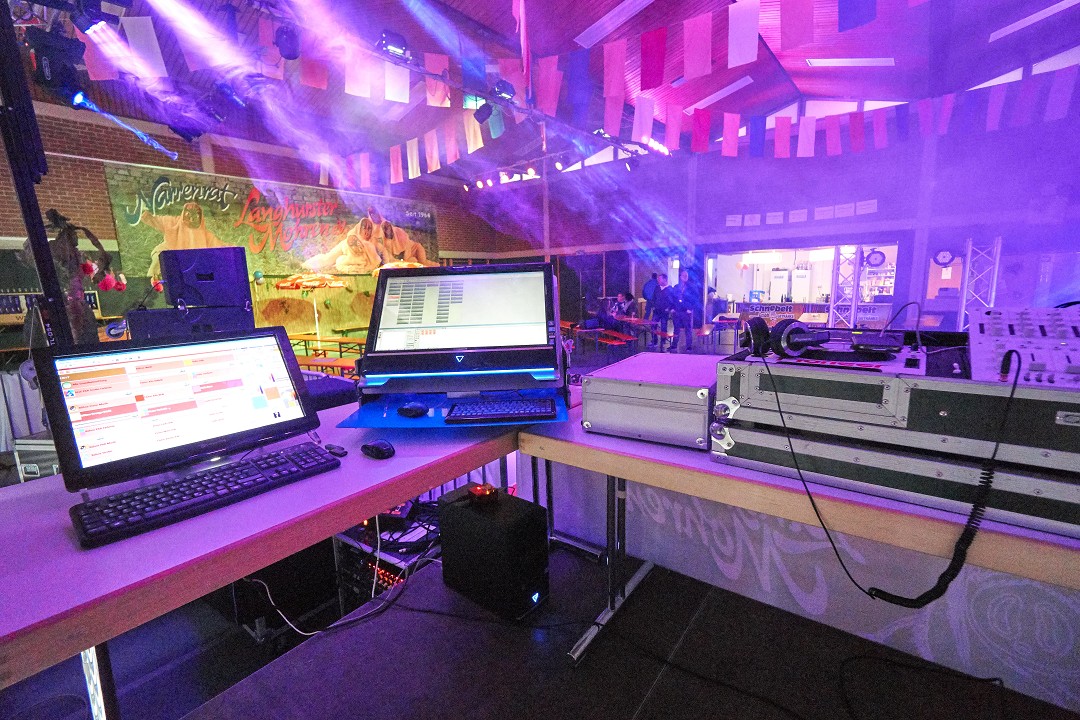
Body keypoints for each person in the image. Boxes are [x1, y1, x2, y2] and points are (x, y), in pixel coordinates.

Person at [141, 203, 223, 278]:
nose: (191, 218)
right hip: (171, 251)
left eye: (195, 214)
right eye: (189, 214)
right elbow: (155, 220)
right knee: (160, 255)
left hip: (191, 263)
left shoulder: (206, 235)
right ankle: (151, 282)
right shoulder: (173, 222)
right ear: (184, 213)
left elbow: (220, 246)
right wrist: (143, 212)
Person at [302, 217, 383, 275]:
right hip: (343, 249)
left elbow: (375, 262)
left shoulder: (371, 245)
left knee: (339, 260)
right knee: (327, 259)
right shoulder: (350, 239)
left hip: (348, 261)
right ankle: (305, 265)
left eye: (369, 228)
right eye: (364, 227)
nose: (366, 231)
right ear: (359, 228)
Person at [670, 269, 695, 353]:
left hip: (686, 311)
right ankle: (674, 345)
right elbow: (672, 298)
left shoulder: (691, 288)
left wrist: (690, 308)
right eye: (683, 275)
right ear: (680, 277)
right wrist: (672, 308)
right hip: (677, 310)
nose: (685, 277)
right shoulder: (676, 287)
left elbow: (694, 299)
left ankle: (689, 347)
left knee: (688, 329)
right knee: (676, 329)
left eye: (686, 276)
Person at [649, 274, 673, 351]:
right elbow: (653, 298)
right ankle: (654, 341)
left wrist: (669, 308)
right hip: (656, 311)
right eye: (658, 279)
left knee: (663, 326)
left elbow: (672, 300)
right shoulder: (657, 288)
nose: (658, 280)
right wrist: (653, 306)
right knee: (653, 325)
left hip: (664, 312)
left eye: (660, 279)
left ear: (665, 279)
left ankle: (663, 341)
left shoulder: (670, 289)